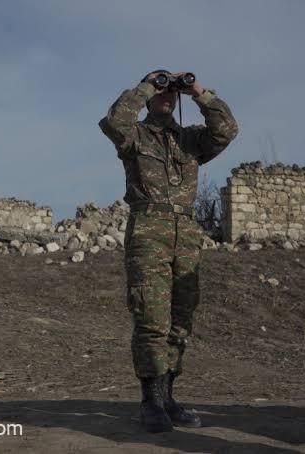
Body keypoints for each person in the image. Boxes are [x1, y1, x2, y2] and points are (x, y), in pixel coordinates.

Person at [98, 69, 238, 433]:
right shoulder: (135, 135)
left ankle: (168, 397)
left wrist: (198, 92)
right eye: (161, 90)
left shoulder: (191, 141)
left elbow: (226, 130)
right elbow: (115, 122)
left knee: (181, 321)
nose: (165, 95)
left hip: (186, 236)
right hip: (148, 233)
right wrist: (146, 85)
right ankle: (151, 402)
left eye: (169, 91)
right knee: (151, 318)